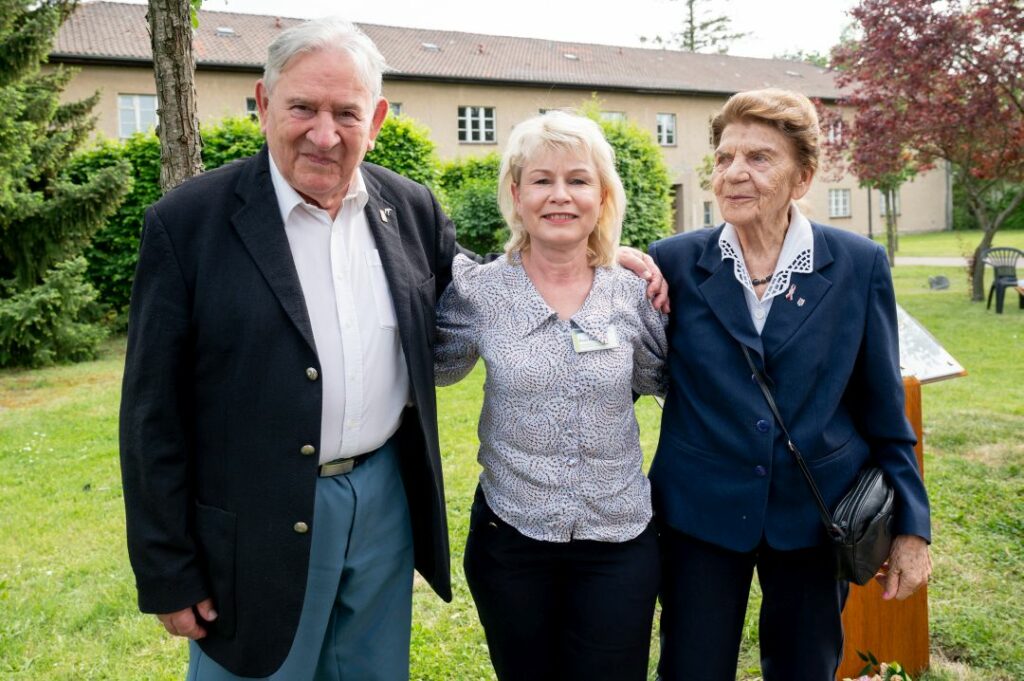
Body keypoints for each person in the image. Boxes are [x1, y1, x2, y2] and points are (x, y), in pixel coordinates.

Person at [118, 18, 458, 680]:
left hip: (383, 497)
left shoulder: (412, 209)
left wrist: (597, 257)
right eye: (303, 106)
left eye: (346, 113)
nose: (323, 134)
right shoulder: (188, 222)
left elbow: (485, 293)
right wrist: (167, 566)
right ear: (265, 102)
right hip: (253, 516)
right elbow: (150, 414)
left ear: (378, 118)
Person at [648, 89, 932, 681]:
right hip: (700, 510)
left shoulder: (857, 264)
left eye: (759, 158)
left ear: (802, 179)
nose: (734, 174)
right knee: (691, 666)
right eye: (724, 158)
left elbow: (883, 406)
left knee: (806, 667)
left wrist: (911, 526)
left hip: (815, 512)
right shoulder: (671, 262)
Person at [434, 111, 668, 681]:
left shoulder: (635, 291)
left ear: (603, 194)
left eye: (578, 180)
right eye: (542, 180)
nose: (559, 196)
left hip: (619, 538)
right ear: (516, 194)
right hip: (512, 538)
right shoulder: (476, 292)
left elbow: (668, 384)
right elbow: (433, 369)